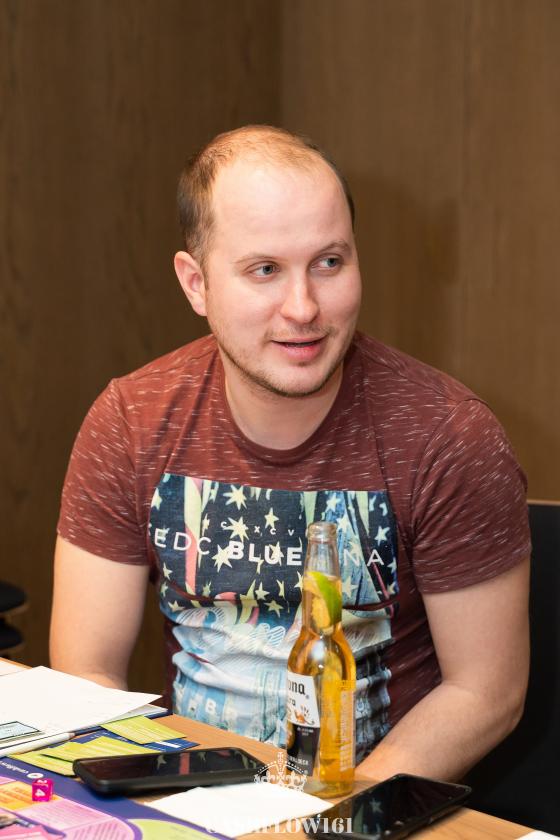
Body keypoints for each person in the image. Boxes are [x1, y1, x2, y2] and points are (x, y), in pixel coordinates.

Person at [50, 125, 530, 782]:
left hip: (373, 803)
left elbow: (486, 693)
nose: (303, 308)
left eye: (329, 263)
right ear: (196, 284)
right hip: (191, 795)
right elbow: (87, 672)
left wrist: (328, 814)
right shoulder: (130, 421)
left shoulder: (449, 436)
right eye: (265, 270)